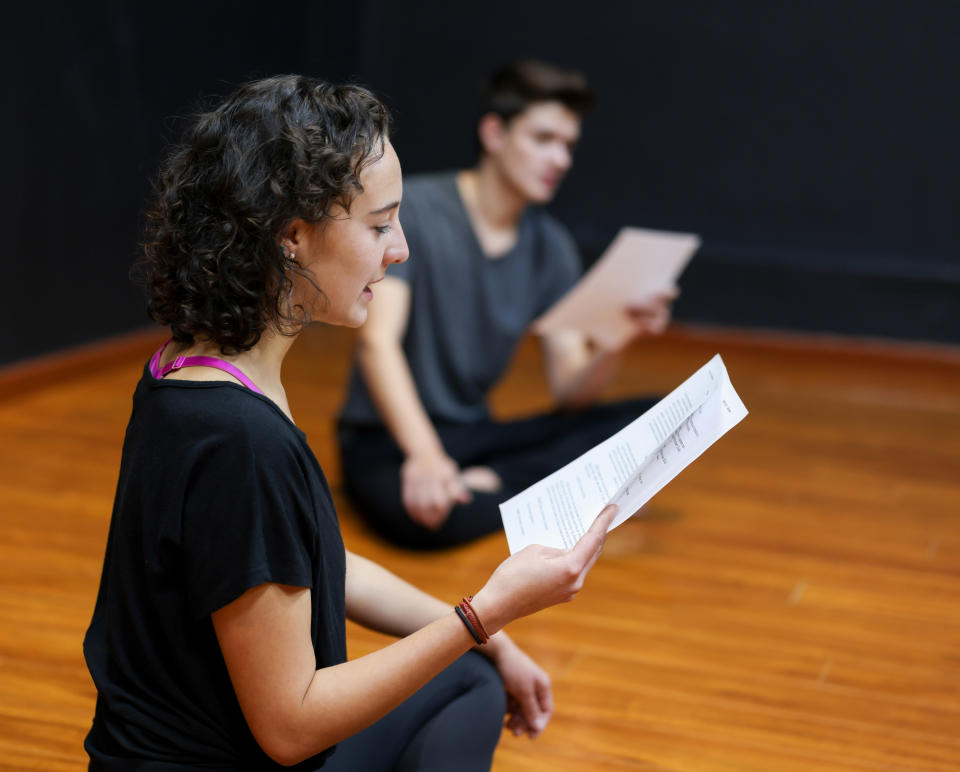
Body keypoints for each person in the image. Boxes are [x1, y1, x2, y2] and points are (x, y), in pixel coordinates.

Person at [82, 74, 618, 770]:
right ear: (292, 236)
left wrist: (493, 637)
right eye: (377, 225)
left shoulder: (188, 368)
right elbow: (291, 726)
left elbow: (309, 562)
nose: (400, 249)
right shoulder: (242, 440)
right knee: (463, 670)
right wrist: (485, 614)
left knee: (472, 676)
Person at [338, 59, 676, 549]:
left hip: (473, 434)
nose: (560, 159)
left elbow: (571, 392)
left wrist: (617, 338)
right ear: (494, 134)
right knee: (426, 520)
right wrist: (427, 457)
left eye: (568, 145)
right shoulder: (418, 211)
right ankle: (529, 489)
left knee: (657, 419)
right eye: (544, 139)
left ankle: (490, 484)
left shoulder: (551, 246)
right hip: (388, 438)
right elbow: (377, 344)